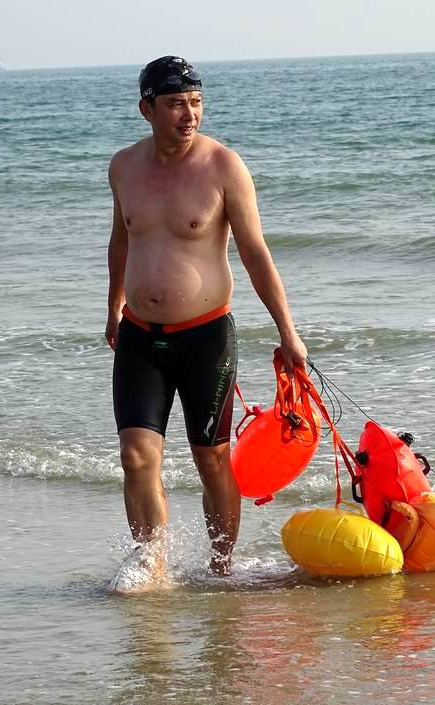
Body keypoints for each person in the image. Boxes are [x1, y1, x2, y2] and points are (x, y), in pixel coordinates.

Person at [105, 55, 307, 588]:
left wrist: (288, 332)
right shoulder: (123, 167)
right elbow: (122, 239)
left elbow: (255, 252)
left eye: (195, 103)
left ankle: (221, 569)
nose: (189, 114)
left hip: (206, 337)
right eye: (176, 104)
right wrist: (113, 307)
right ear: (147, 109)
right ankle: (151, 563)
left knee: (212, 459)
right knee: (135, 456)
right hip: (139, 335)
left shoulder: (223, 167)